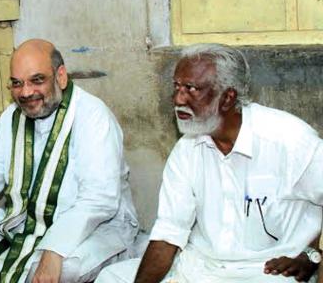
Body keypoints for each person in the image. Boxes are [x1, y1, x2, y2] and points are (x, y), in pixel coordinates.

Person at [0, 39, 139, 282]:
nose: (26, 92)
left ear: (60, 77)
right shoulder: (12, 117)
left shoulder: (93, 116)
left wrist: (53, 251)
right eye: (17, 83)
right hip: (25, 223)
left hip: (96, 230)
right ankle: (13, 274)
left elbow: (99, 200)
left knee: (64, 270)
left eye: (37, 80)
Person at [96, 43, 323, 283]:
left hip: (266, 271)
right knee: (111, 277)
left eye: (191, 89)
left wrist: (312, 255)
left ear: (227, 98)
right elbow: (168, 234)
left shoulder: (288, 139)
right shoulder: (187, 149)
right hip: (200, 267)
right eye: (176, 86)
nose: (178, 99)